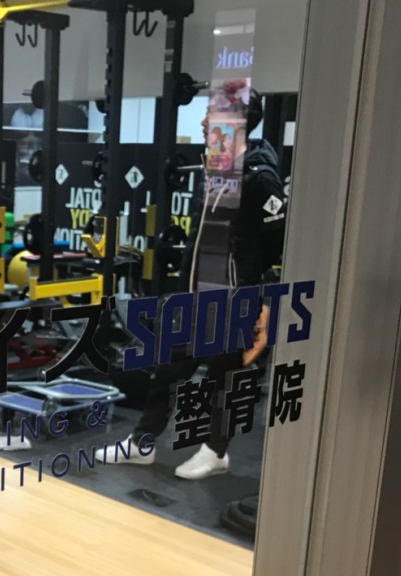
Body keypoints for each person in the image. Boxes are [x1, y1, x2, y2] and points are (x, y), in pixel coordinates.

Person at [100, 87, 285, 480]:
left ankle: (215, 453)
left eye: (211, 114)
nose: (203, 122)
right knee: (167, 371)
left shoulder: (260, 179)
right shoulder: (216, 168)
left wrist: (264, 304)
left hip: (234, 297)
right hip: (194, 294)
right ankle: (142, 443)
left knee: (224, 378)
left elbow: (278, 246)